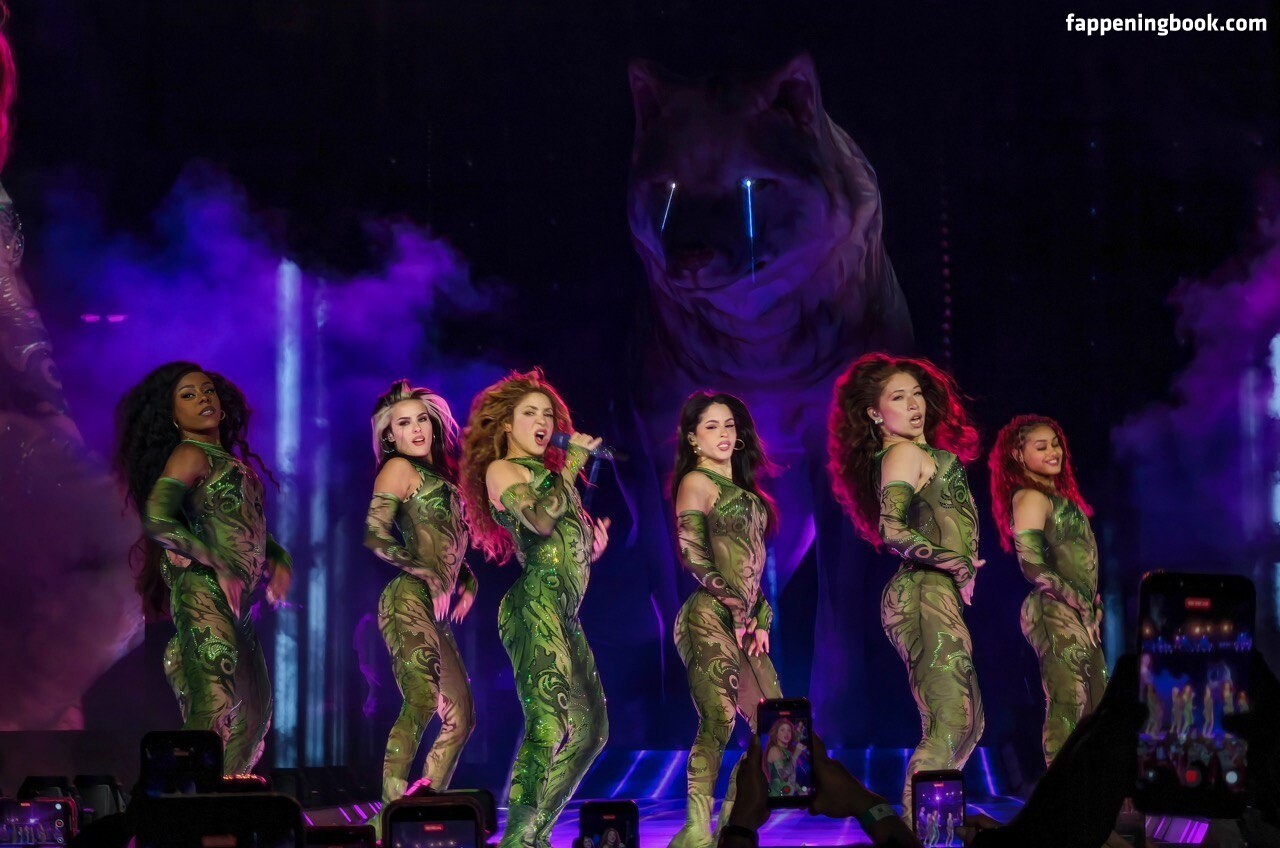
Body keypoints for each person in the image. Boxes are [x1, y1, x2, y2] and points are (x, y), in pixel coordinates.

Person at [114, 362, 291, 774]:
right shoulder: (189, 454)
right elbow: (158, 517)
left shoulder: (233, 465)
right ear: (174, 417)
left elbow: (248, 529)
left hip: (237, 606)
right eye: (188, 395)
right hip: (203, 590)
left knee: (256, 715)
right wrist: (216, 562)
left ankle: (223, 794)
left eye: (207, 390)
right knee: (215, 705)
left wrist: (280, 558)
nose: (202, 399)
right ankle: (191, 802)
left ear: (222, 406)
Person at [827, 353, 983, 819]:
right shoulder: (902, 453)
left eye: (916, 394)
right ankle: (919, 833)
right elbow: (892, 529)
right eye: (898, 397)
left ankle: (931, 826)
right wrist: (957, 563)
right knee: (952, 721)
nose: (914, 405)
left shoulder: (924, 454)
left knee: (968, 724)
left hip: (935, 593)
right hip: (921, 593)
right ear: (875, 414)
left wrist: (959, 569)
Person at [459, 369, 610, 848]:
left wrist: (589, 548)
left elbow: (561, 546)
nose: (542, 422)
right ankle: (517, 839)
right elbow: (541, 524)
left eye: (548, 414)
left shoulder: (551, 478)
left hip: (564, 614)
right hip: (532, 606)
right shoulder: (504, 470)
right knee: (549, 724)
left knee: (592, 732)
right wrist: (573, 463)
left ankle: (534, 835)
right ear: (506, 423)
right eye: (530, 413)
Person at [668, 391, 783, 848]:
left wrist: (761, 617)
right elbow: (693, 555)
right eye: (711, 426)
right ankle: (696, 828)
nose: (723, 434)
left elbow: (753, 564)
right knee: (718, 720)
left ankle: (733, 824)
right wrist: (736, 606)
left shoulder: (748, 492)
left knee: (777, 726)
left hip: (745, 621)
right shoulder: (696, 481)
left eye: (729, 425)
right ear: (693, 439)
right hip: (708, 615)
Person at [364, 380, 478, 801]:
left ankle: (424, 800)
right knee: (421, 700)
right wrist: (428, 575)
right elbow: (375, 535)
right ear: (389, 436)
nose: (416, 429)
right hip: (408, 598)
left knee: (462, 716)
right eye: (403, 423)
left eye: (422, 420)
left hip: (435, 609)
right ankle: (390, 812)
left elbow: (445, 545)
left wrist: (467, 580)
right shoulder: (398, 468)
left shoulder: (441, 478)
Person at [988, 415, 1106, 766]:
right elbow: (1031, 565)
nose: (1053, 452)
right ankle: (1060, 790)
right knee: (1068, 701)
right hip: (1053, 608)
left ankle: (1090, 789)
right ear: (1018, 455)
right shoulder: (1029, 497)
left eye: (1055, 444)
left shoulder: (1060, 498)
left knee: (1097, 707)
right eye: (1041, 447)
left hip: (1078, 612)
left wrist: (1093, 605)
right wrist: (1079, 601)